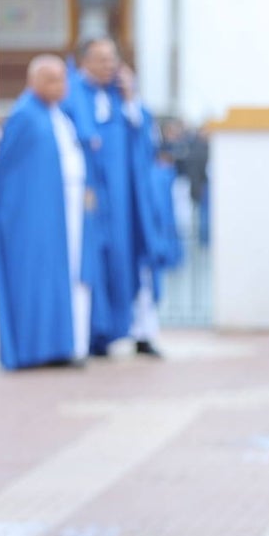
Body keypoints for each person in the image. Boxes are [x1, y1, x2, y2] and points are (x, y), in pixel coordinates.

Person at [0, 55, 94, 369]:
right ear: (34, 81)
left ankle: (61, 345)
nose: (61, 86)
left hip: (65, 213)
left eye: (63, 79)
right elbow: (9, 176)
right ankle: (33, 350)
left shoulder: (58, 115)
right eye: (52, 79)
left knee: (66, 278)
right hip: (36, 218)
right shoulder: (25, 115)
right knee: (35, 280)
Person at [63, 37, 160, 357]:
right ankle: (93, 335)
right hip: (90, 198)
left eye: (112, 59)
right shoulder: (71, 94)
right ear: (83, 62)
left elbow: (143, 137)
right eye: (100, 59)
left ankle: (136, 330)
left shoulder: (121, 95)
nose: (108, 66)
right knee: (92, 262)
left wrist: (131, 98)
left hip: (124, 199)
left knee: (130, 258)